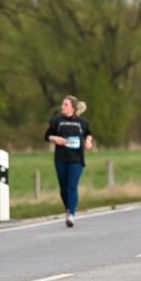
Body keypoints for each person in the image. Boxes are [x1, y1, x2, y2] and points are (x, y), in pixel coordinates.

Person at [44, 96, 93, 227]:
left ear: (73, 107)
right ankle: (68, 208)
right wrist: (55, 138)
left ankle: (71, 214)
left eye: (65, 104)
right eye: (62, 104)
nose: (62, 106)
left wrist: (88, 141)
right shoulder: (56, 121)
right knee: (63, 188)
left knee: (72, 185)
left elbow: (88, 133)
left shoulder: (82, 122)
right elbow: (46, 136)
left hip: (76, 159)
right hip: (61, 158)